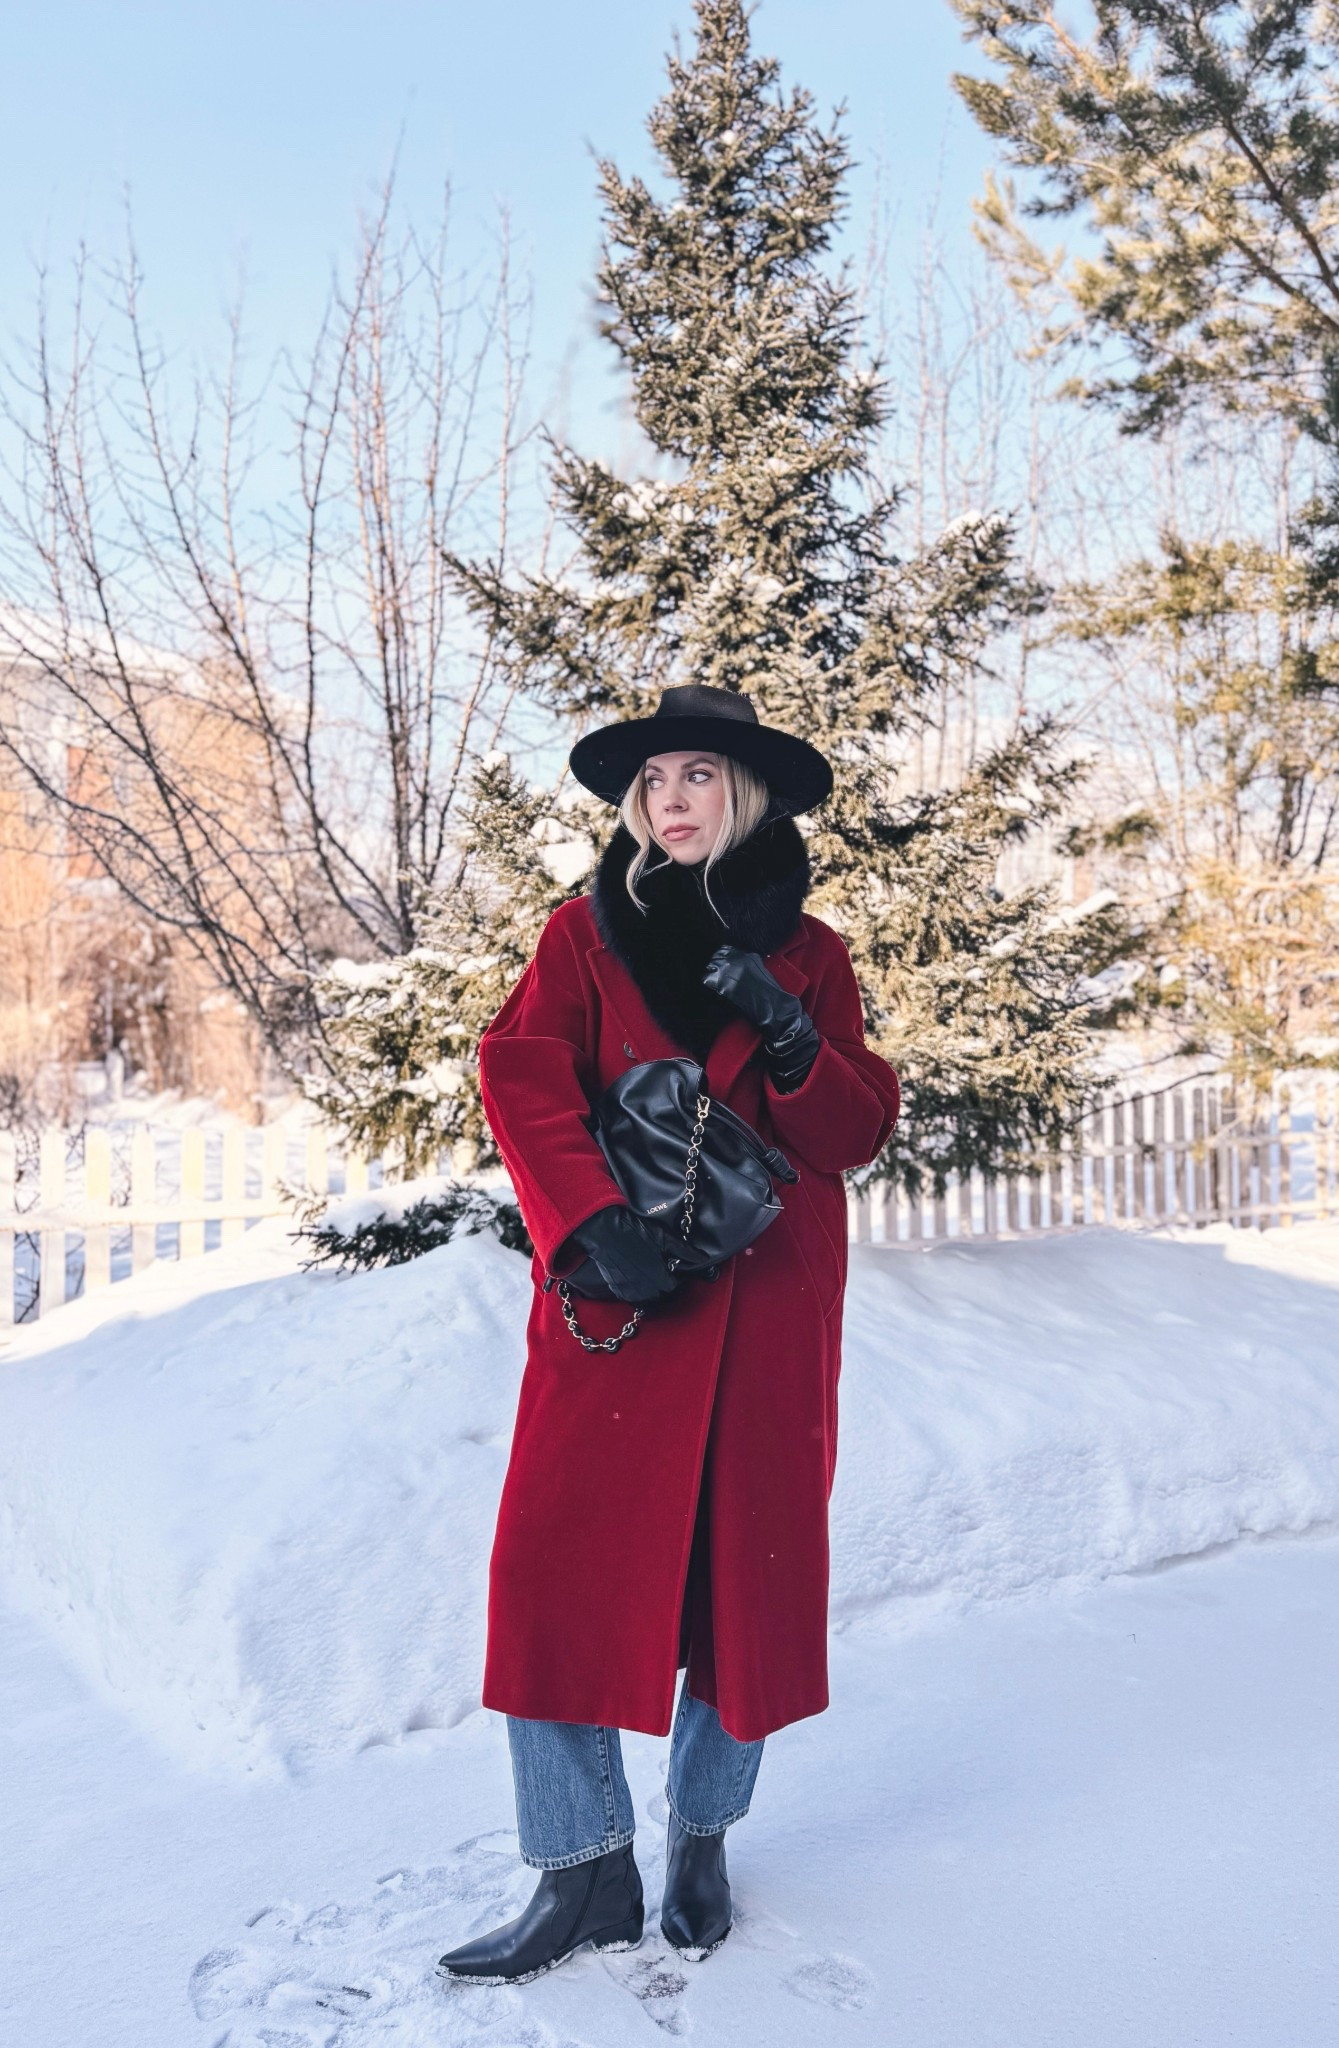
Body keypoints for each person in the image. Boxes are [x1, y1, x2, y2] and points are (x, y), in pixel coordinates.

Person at [438, 684, 899, 1985]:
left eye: (698, 775)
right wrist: (585, 1224)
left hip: (765, 1317)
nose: (672, 799)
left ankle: (701, 1842)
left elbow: (853, 1134)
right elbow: (520, 1071)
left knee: (741, 1593)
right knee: (549, 1575)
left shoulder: (812, 954)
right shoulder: (582, 937)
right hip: (618, 1307)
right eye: (654, 782)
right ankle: (580, 1869)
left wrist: (796, 1033)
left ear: (741, 794)